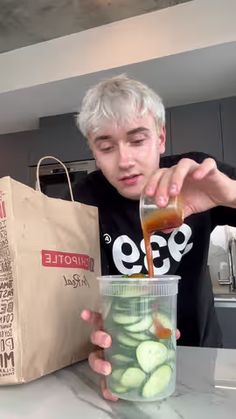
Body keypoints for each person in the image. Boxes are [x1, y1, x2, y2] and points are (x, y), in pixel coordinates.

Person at [72, 74, 236, 400]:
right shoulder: (82, 200)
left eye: (137, 140)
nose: (125, 160)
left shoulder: (195, 175)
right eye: (106, 146)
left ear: (161, 138)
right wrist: (89, 340)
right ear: (93, 149)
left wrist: (229, 195)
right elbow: (70, 290)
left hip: (200, 351)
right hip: (125, 355)